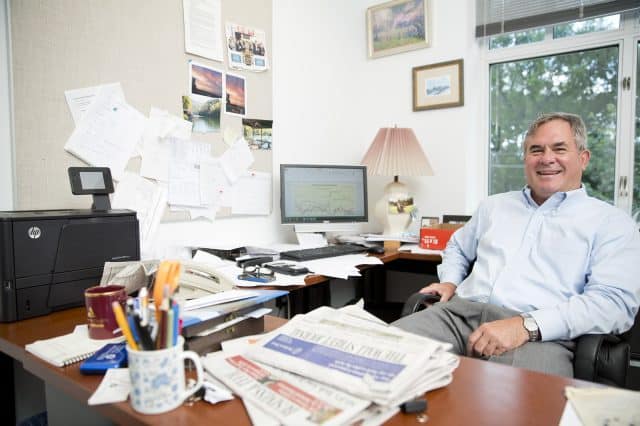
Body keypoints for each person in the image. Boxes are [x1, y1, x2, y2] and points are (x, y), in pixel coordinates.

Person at [392, 112, 640, 377]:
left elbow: (614, 303)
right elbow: (457, 247)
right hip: (457, 316)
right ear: (525, 158)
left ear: (583, 158)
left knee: (507, 404)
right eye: (536, 150)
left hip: (540, 337)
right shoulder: (493, 206)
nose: (546, 158)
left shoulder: (612, 223)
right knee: (372, 353)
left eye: (559, 148)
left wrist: (526, 326)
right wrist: (450, 281)